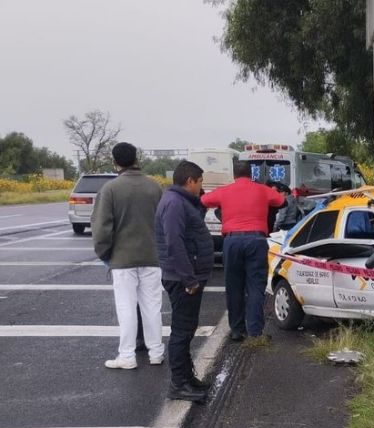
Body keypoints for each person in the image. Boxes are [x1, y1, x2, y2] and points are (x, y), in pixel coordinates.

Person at [91, 142, 165, 369]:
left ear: (115, 162)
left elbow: (101, 228)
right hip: (153, 257)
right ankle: (156, 352)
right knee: (152, 306)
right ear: (136, 159)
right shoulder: (155, 187)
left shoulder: (110, 189)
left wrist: (105, 255)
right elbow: (163, 223)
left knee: (126, 308)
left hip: (122, 260)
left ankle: (127, 356)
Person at [201, 161, 283, 345]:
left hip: (231, 241)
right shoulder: (262, 189)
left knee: (233, 286)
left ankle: (237, 331)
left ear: (234, 175)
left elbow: (204, 200)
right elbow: (281, 201)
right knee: (255, 286)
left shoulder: (225, 191)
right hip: (256, 240)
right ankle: (255, 331)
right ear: (251, 174)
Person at [155, 160, 214, 402]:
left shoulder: (181, 202)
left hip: (186, 276)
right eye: (200, 182)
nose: (201, 187)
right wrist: (189, 278)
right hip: (182, 279)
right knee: (181, 332)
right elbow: (174, 243)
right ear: (190, 180)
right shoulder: (174, 204)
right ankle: (178, 384)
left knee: (187, 330)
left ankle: (187, 378)